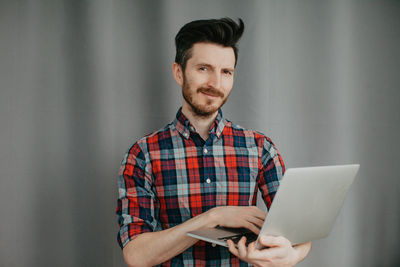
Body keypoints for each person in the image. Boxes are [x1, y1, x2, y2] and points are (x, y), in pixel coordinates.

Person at [116, 18, 312, 266]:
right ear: (179, 72)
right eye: (203, 69)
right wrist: (212, 217)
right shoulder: (142, 154)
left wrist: (292, 255)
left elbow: (300, 233)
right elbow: (136, 255)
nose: (215, 84)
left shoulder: (260, 148)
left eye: (226, 72)